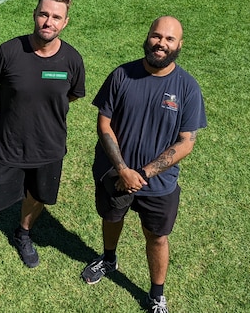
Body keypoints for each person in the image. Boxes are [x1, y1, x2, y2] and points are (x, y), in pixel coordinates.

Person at [0, 0, 86, 285]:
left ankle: (22, 234)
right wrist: (12, 104)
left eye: (56, 17)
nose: (48, 22)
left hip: (49, 147)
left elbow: (72, 95)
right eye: (44, 14)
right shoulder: (7, 52)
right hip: (9, 145)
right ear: (35, 15)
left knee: (37, 197)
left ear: (65, 23)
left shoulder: (72, 60)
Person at [80, 16, 206, 313]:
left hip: (158, 184)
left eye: (169, 39)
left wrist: (142, 173)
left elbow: (187, 141)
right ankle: (109, 259)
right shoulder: (122, 75)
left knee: (157, 237)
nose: (161, 43)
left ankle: (156, 295)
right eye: (157, 36)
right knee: (112, 219)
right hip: (114, 173)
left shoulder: (187, 87)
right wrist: (123, 170)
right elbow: (104, 123)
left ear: (179, 45)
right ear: (148, 37)